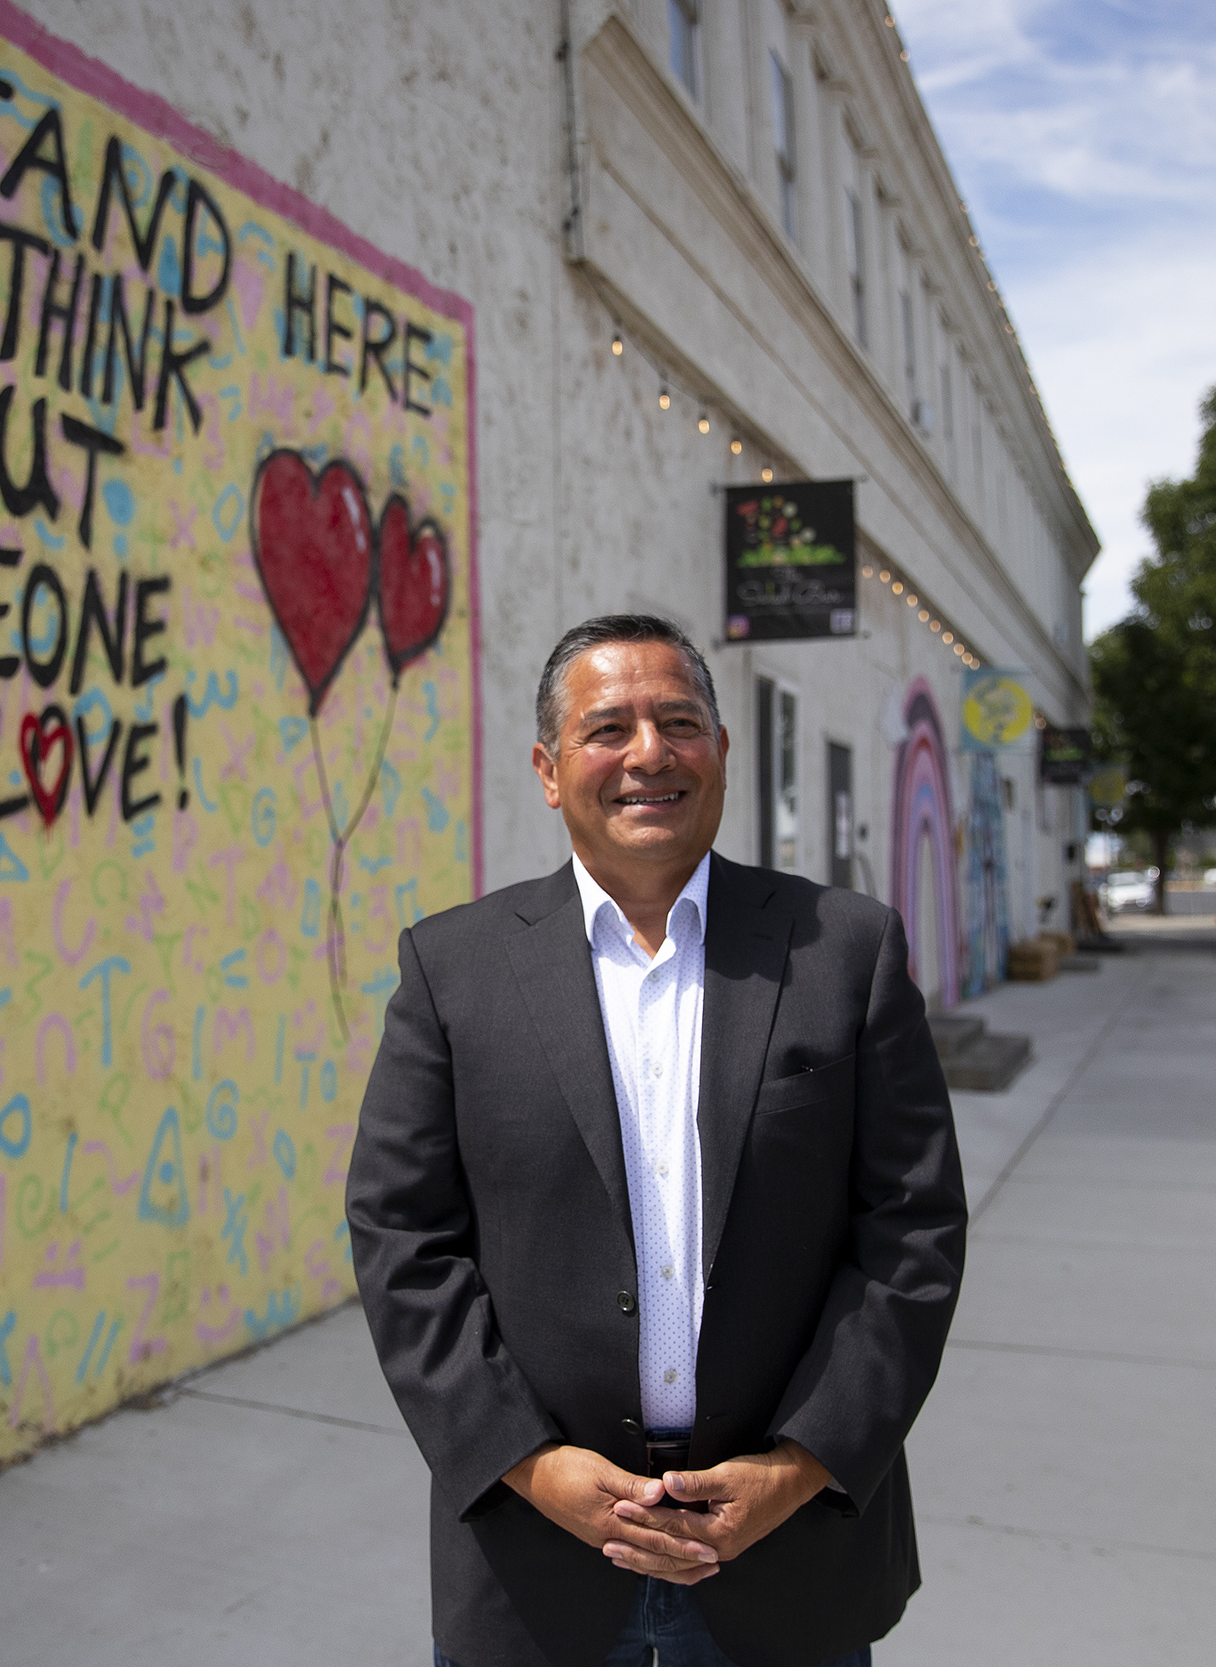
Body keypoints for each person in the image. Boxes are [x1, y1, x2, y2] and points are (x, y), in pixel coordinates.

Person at [347, 615, 967, 1667]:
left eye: (679, 721)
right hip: (534, 1557)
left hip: (788, 1553)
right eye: (607, 728)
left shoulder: (844, 951)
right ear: (549, 770)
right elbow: (401, 1237)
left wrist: (799, 1464)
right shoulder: (453, 970)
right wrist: (531, 1465)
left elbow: (911, 1232)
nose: (648, 753)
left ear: (721, 751)